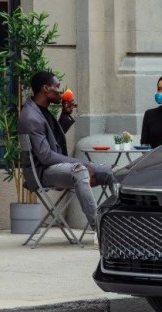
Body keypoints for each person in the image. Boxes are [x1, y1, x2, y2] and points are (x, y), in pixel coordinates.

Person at [18, 71, 115, 240]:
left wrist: (65, 116)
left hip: (56, 167)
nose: (60, 91)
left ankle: (120, 224)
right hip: (43, 172)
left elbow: (52, 142)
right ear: (45, 88)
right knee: (80, 170)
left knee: (111, 171)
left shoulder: (42, 111)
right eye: (57, 87)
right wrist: (82, 164)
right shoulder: (31, 117)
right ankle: (101, 230)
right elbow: (46, 156)